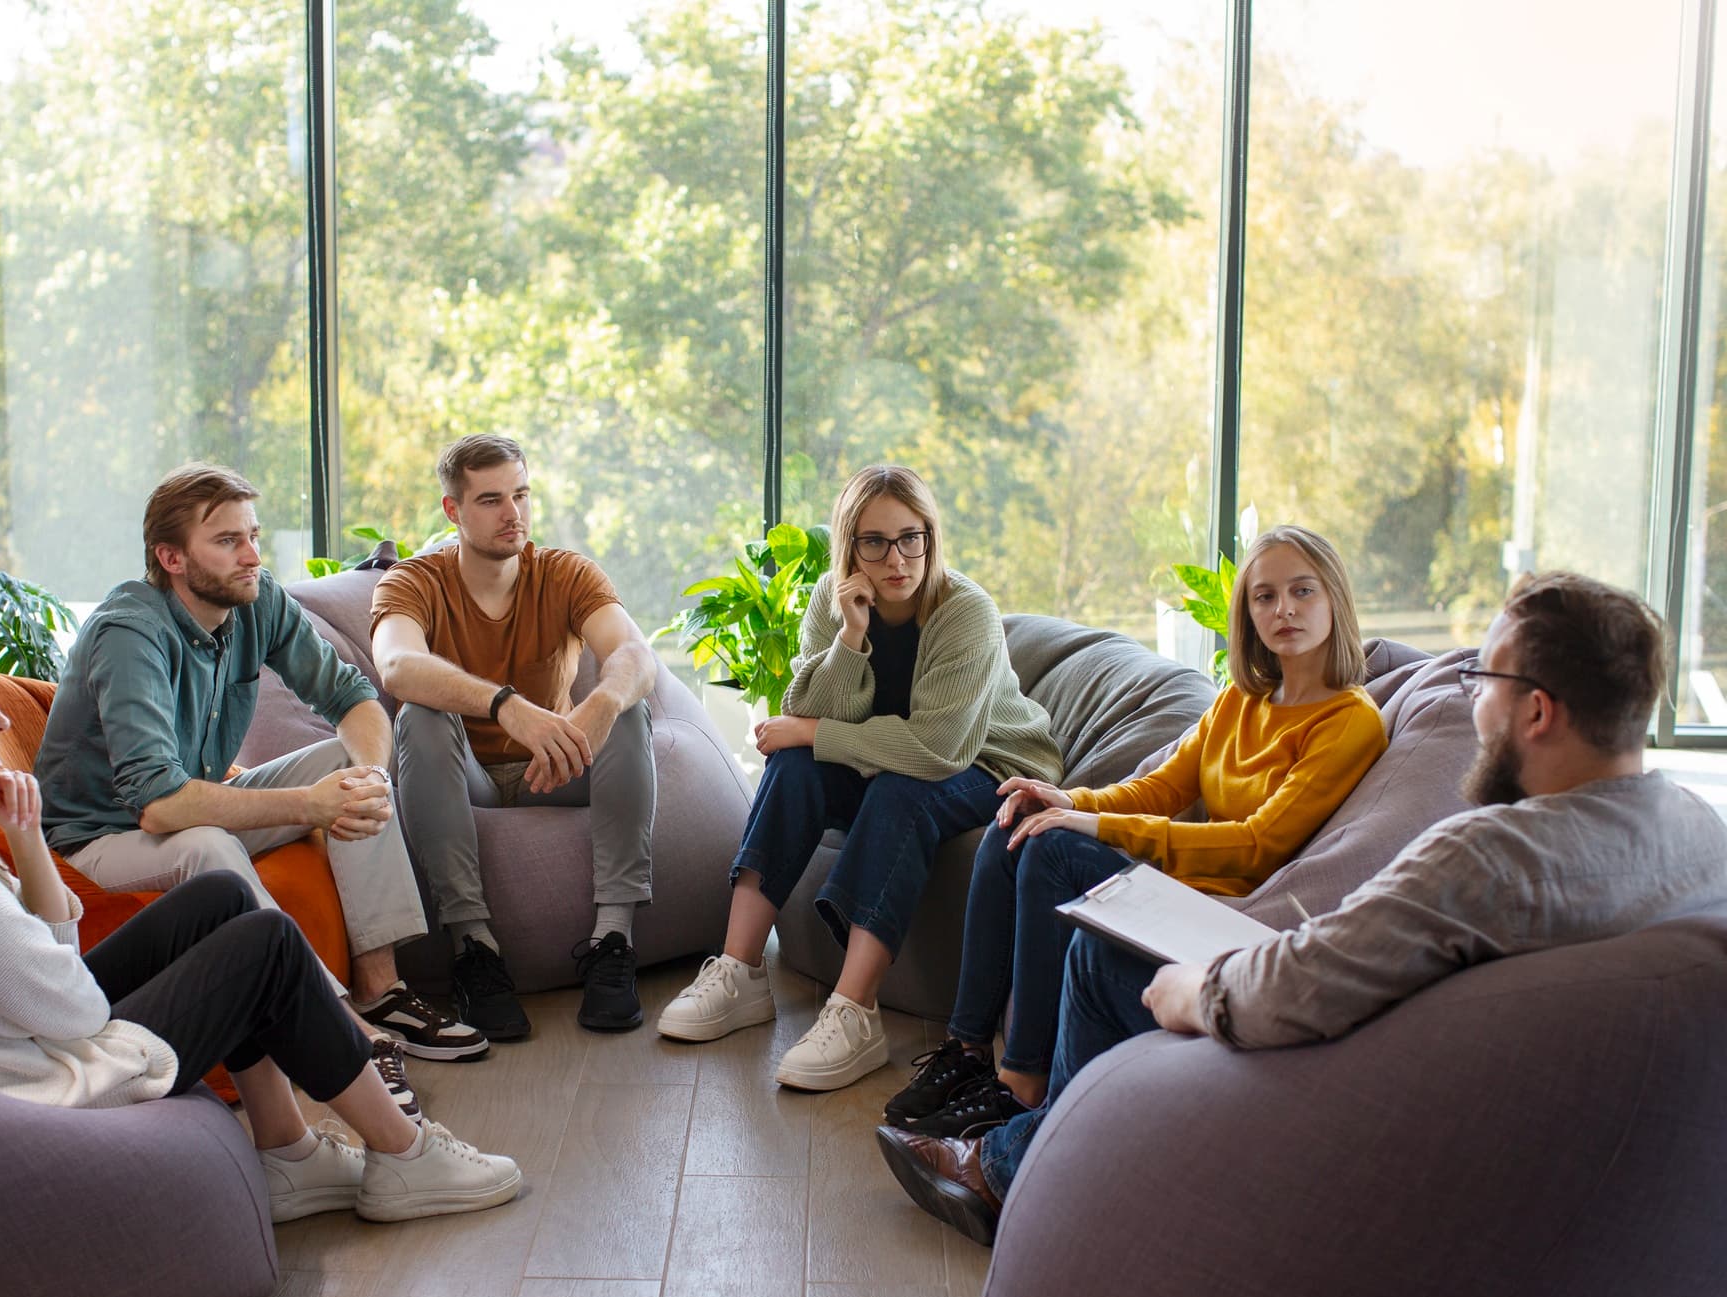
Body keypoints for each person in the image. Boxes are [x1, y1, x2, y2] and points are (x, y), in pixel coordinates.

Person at [878, 571, 1727, 1246]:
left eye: (1481, 678)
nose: (1470, 702)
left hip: (1358, 1111)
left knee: (1104, 958)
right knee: (1054, 853)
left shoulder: (1487, 857)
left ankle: (1026, 1176)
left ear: (1536, 711)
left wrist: (1196, 988)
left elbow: (1300, 980)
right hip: (1551, 1144)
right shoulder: (1700, 834)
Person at [0, 617, 522, 1225]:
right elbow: (76, 1003)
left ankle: (287, 1150)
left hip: (34, 1029)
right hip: (48, 1080)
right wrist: (32, 876)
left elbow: (52, 950)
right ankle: (402, 1153)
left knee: (223, 899)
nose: (2, 720)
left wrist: (25, 840)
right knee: (265, 944)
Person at [883, 525, 1387, 1139]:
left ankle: (1021, 1087)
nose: (1283, 610)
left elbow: (1260, 843)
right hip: (1174, 886)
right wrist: (1066, 798)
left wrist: (1090, 823)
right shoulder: (1240, 701)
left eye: (1302, 591)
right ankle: (965, 1053)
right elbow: (1162, 787)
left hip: (1220, 910)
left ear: (1334, 598)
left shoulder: (1349, 721)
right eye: (1264, 596)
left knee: (1053, 848)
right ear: (1247, 613)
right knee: (1016, 821)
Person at [36, 464, 488, 1084]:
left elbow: (351, 695)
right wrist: (309, 807)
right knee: (208, 843)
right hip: (102, 836)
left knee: (346, 764)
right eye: (227, 542)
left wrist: (371, 779)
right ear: (170, 557)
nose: (251, 555)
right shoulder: (130, 634)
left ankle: (381, 991)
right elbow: (159, 806)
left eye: (253, 535)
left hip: (193, 800)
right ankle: (341, 1029)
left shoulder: (255, 598)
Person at [655, 464, 1065, 1092]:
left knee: (898, 790)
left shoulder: (966, 611)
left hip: (988, 764)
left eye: (911, 537)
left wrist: (815, 733)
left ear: (930, 537)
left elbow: (937, 747)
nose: (897, 559)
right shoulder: (833, 598)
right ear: (850, 547)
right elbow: (810, 707)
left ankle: (854, 1011)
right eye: (874, 542)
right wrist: (850, 637)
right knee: (793, 768)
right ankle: (739, 972)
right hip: (888, 757)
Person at [371, 433, 660, 1039]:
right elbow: (396, 667)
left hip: (554, 770)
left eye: (522, 495)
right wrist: (503, 705)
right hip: (462, 779)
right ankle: (474, 949)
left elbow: (634, 651)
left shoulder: (564, 572)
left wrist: (603, 700)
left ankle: (613, 941)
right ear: (453, 511)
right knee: (417, 716)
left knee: (629, 710)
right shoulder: (412, 582)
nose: (514, 514)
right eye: (491, 500)